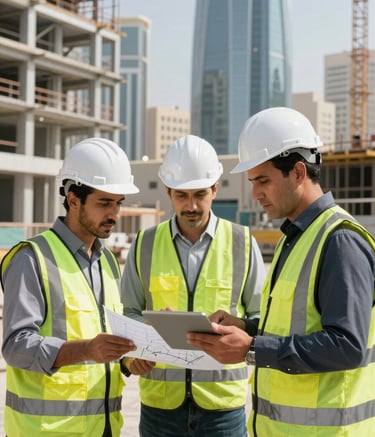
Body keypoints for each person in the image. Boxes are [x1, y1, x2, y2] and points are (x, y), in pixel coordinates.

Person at [187, 107, 375, 436]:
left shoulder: (339, 241)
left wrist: (251, 348)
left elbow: (347, 345)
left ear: (299, 172)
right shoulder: (297, 237)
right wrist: (247, 327)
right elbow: (298, 324)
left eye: (263, 180)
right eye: (252, 182)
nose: (256, 193)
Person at [121, 134, 266, 437]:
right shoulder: (144, 245)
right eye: (181, 196)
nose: (191, 205)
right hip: (160, 408)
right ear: (168, 192)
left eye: (200, 194)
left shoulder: (242, 242)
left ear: (215, 188)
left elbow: (262, 320)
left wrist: (239, 324)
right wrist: (142, 341)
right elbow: (128, 312)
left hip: (222, 409)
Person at [1, 138, 140, 437]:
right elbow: (16, 346)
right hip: (47, 431)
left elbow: (106, 343)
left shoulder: (108, 262)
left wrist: (128, 359)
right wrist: (85, 349)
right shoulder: (31, 257)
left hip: (104, 428)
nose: (114, 214)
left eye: (118, 203)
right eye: (104, 203)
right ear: (73, 198)